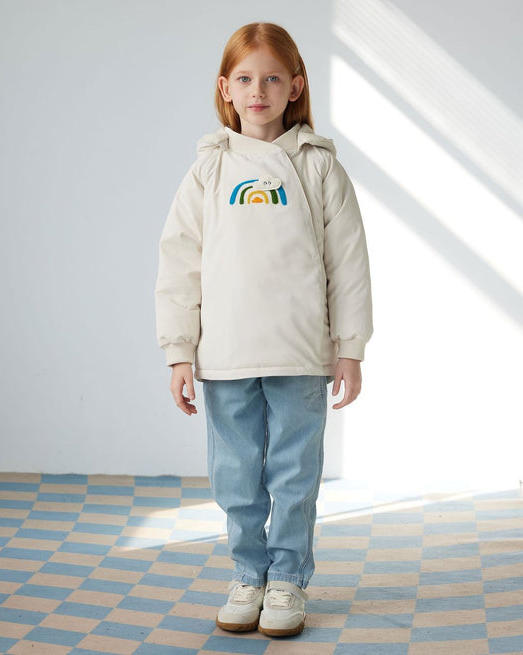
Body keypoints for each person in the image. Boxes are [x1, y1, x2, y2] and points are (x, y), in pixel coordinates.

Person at [154, 21, 373, 638]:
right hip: (225, 354)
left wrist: (349, 348)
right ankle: (248, 574)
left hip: (301, 352)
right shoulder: (209, 170)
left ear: (295, 86)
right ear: (225, 87)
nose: (259, 91)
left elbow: (348, 264)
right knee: (235, 474)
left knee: (294, 474)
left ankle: (287, 579)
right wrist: (179, 350)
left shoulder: (319, 167)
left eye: (272, 78)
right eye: (245, 79)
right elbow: (180, 263)